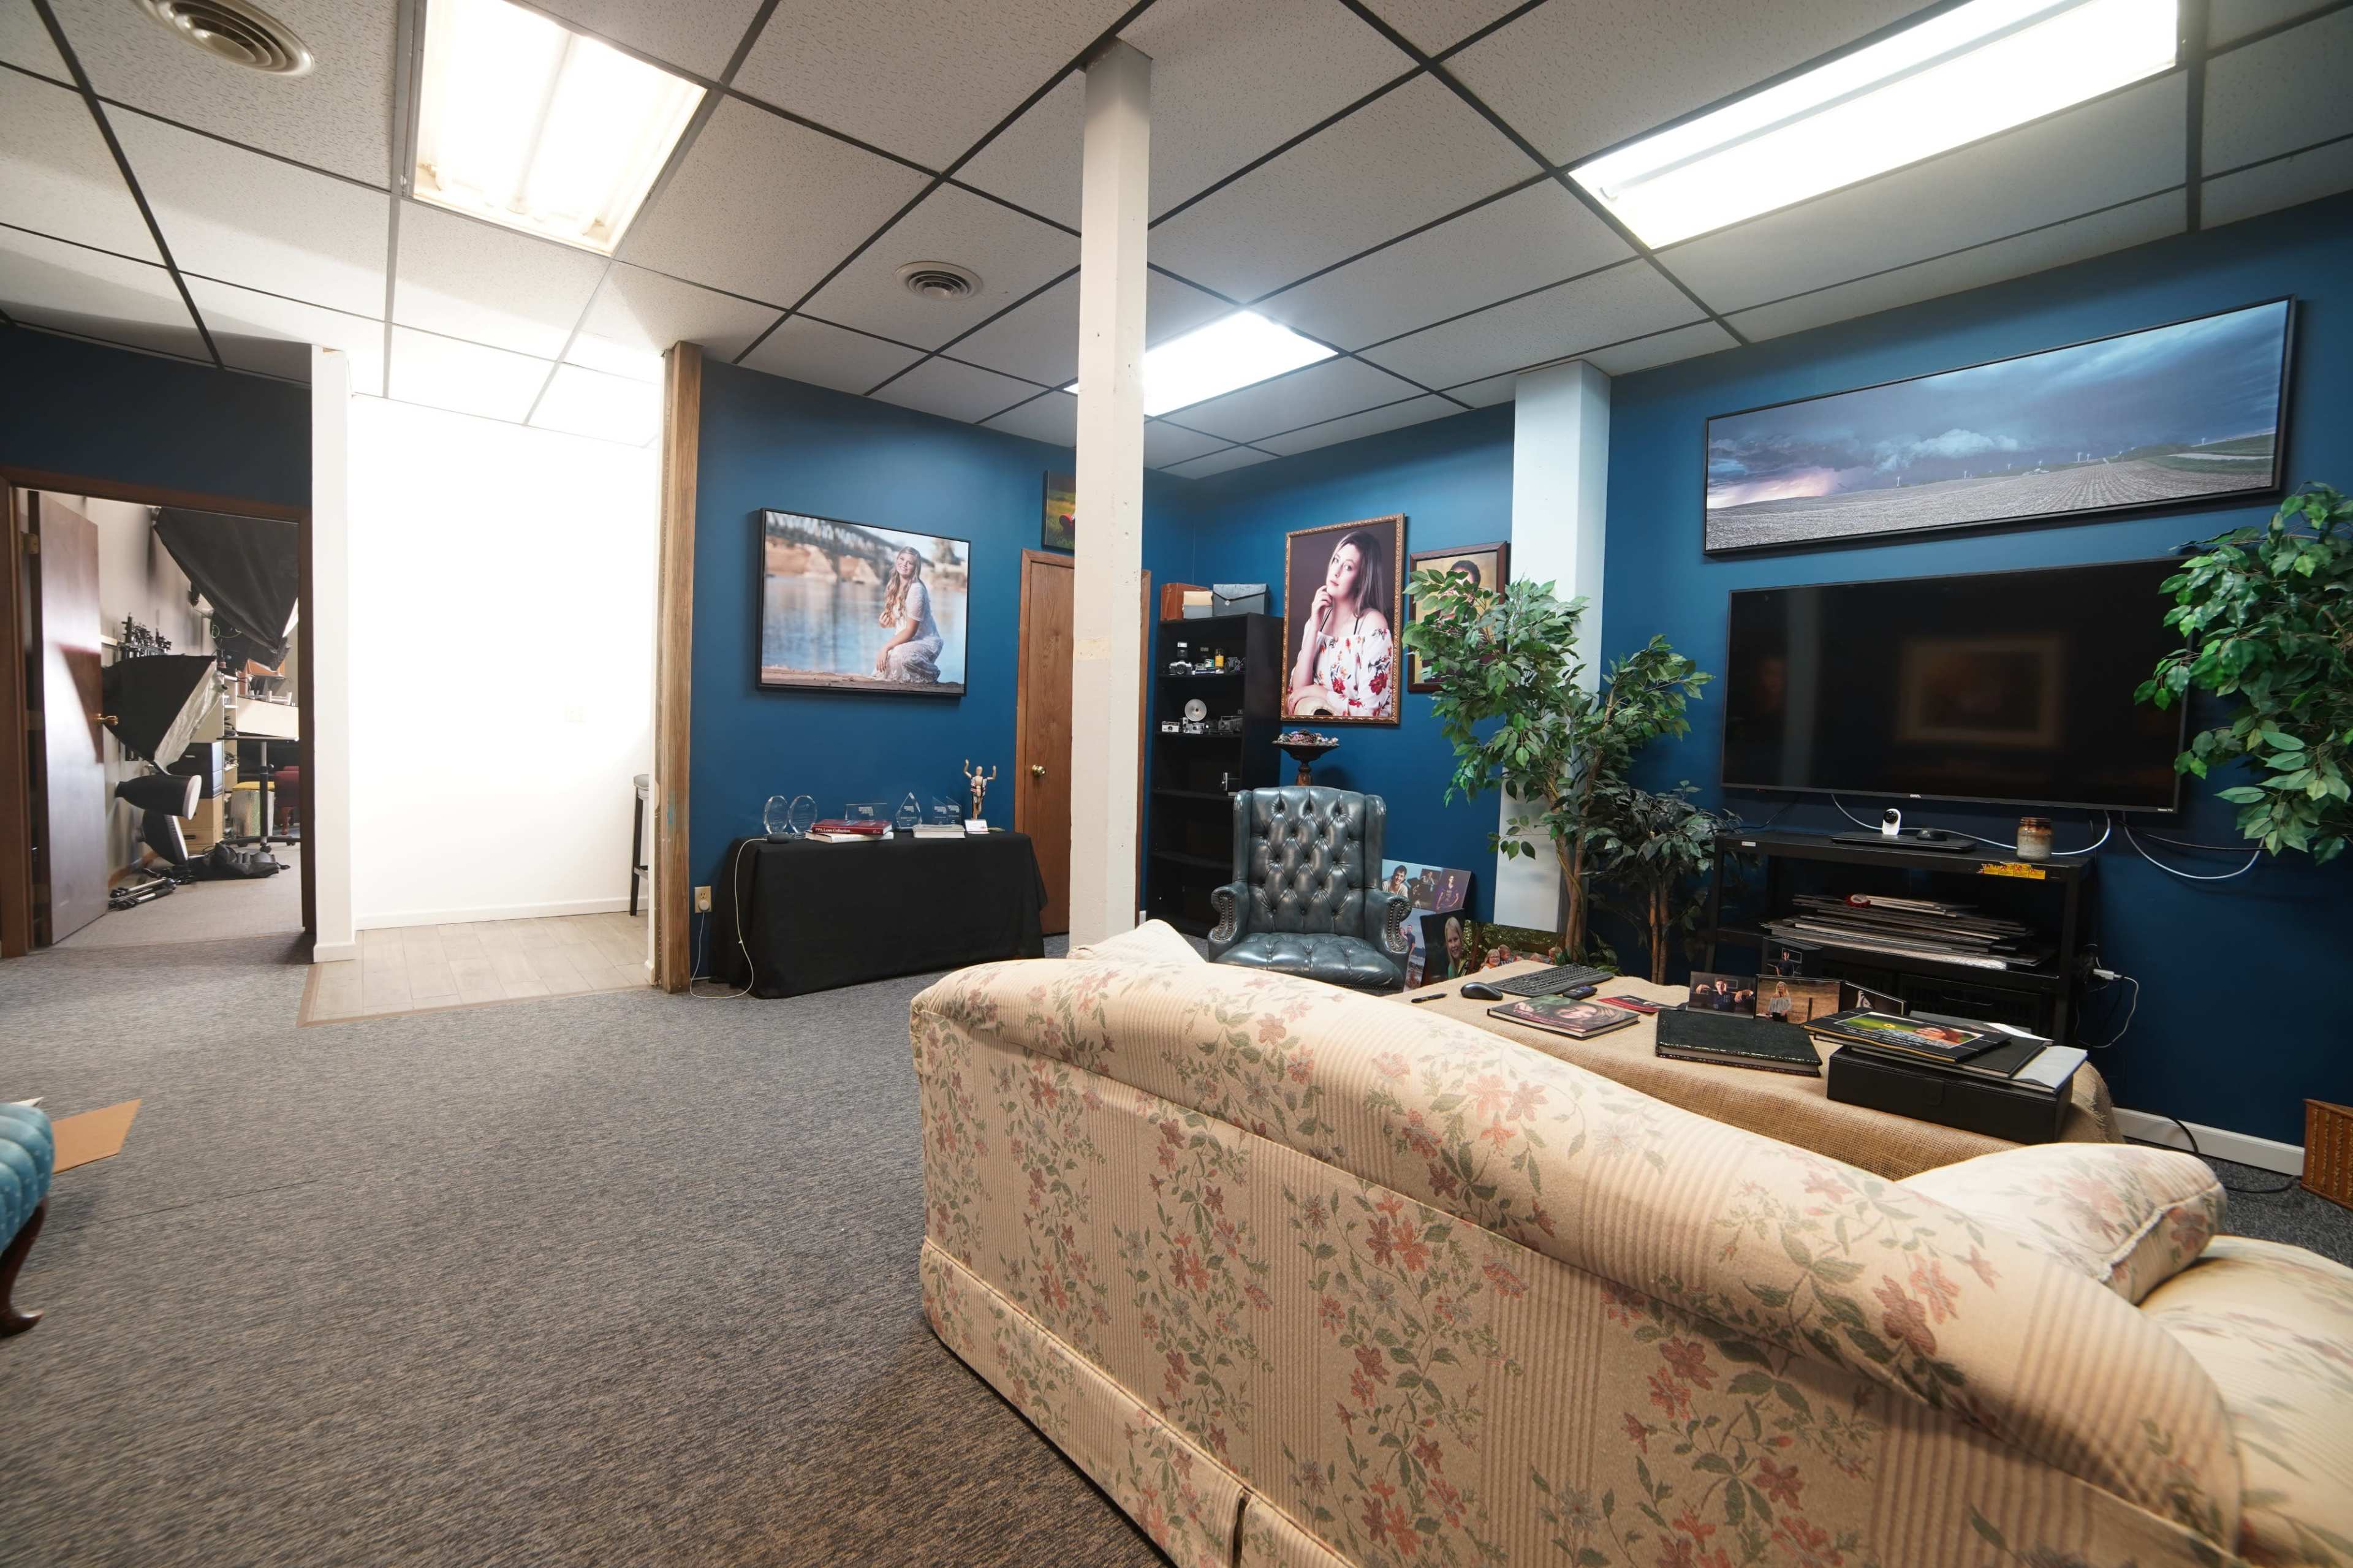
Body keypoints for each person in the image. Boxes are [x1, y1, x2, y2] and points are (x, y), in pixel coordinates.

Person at [1287, 528, 1394, 719]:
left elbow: (1370, 712)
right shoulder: (1318, 620)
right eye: (1336, 560)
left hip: (1367, 732)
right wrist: (1315, 624)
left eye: (1348, 567)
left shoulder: (1373, 624)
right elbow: (1298, 693)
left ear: (1362, 578)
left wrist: (1320, 692)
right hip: (1319, 727)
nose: (1336, 572)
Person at [873, 547, 944, 683]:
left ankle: (930, 673)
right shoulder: (894, 585)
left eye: (910, 563)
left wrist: (886, 647)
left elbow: (911, 631)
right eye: (902, 559)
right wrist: (884, 624)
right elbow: (898, 621)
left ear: (915, 568)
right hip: (905, 640)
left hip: (924, 641)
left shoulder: (917, 590)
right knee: (888, 662)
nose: (904, 564)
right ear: (896, 560)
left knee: (899, 656)